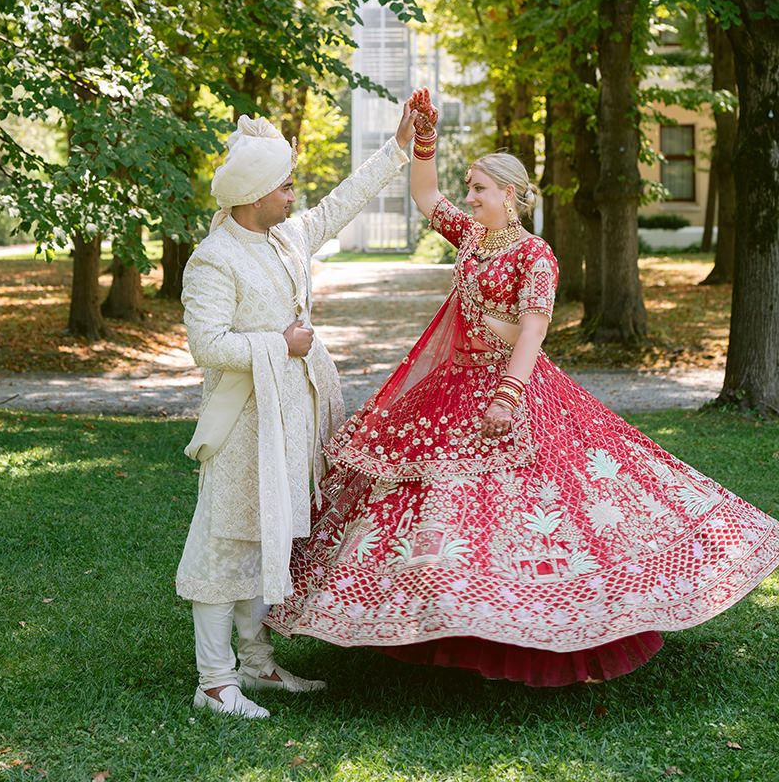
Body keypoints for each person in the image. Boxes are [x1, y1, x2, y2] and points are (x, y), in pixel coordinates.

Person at [268, 87, 779, 686]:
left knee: (528, 506)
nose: (469, 196)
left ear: (509, 196)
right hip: (452, 387)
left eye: (479, 188)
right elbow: (426, 195)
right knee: (438, 501)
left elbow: (533, 334)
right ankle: (439, 618)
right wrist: (422, 134)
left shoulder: (536, 256)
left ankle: (534, 626)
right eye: (471, 188)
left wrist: (508, 393)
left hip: (514, 392)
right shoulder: (475, 238)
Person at [176, 103, 416, 717]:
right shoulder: (213, 258)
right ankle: (213, 681)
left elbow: (340, 205)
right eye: (284, 185)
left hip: (289, 416)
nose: (293, 194)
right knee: (225, 540)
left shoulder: (284, 236)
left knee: (267, 540)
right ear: (255, 193)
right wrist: (278, 345)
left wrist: (396, 149)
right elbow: (207, 345)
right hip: (241, 422)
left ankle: (256, 665)